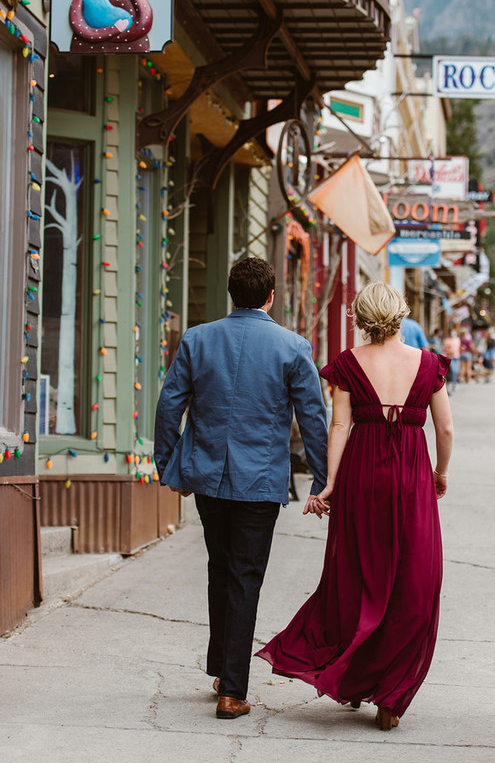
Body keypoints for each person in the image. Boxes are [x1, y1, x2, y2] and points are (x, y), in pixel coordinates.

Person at [256, 282, 453, 731]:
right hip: (411, 477)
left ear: (360, 318)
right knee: (414, 580)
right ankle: (390, 696)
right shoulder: (429, 365)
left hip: (363, 477)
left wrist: (329, 485)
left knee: (359, 578)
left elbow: (339, 425)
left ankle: (355, 674)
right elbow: (445, 430)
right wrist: (441, 472)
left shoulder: (348, 364)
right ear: (400, 315)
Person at [154, 257, 328, 720]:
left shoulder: (197, 339)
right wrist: (324, 477)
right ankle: (232, 690)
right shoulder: (293, 347)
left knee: (221, 568)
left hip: (208, 476)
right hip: (259, 481)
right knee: (244, 577)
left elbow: (169, 404)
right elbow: (313, 417)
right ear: (271, 296)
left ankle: (220, 667)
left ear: (231, 293)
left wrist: (168, 465)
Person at [442, 329, 460, 394]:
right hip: (450, 357)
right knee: (452, 371)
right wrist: (449, 352)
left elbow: (459, 347)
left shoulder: (457, 339)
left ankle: (454, 383)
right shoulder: (447, 340)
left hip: (456, 357)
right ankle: (451, 383)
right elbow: (444, 349)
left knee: (456, 371)